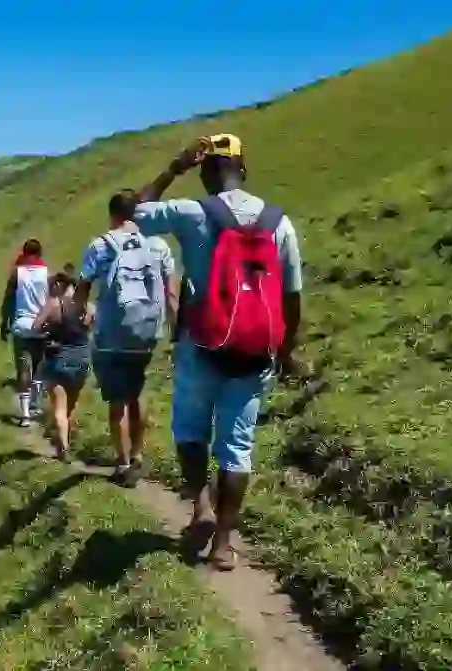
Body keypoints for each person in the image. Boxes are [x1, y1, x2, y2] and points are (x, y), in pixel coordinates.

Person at [131, 133, 304, 571]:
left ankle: (200, 509)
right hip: (254, 353)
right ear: (243, 170)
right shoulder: (279, 223)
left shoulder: (193, 212)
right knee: (237, 447)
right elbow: (292, 297)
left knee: (190, 431)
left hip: (201, 346)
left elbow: (136, 211)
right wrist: (284, 352)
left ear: (207, 173)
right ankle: (224, 544)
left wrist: (174, 168)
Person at [74, 193, 177, 488]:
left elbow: (82, 289)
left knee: (117, 400)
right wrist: (173, 325)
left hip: (111, 334)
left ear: (112, 215)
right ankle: (138, 453)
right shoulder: (158, 246)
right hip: (145, 333)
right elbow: (170, 292)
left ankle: (122, 463)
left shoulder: (100, 246)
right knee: (137, 390)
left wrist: (79, 314)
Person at [32, 270, 93, 460]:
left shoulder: (54, 304)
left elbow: (35, 327)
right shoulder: (89, 307)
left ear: (61, 286)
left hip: (59, 358)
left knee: (59, 406)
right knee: (71, 406)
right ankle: (67, 442)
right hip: (82, 357)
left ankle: (63, 447)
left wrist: (48, 330)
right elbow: (92, 328)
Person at [0, 238, 50, 427]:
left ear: (24, 252)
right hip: (40, 326)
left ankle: (26, 414)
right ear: (40, 253)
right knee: (38, 368)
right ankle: (36, 405)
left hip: (21, 326)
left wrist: (4, 324)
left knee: (23, 370)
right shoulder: (47, 274)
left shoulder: (16, 274)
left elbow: (7, 302)